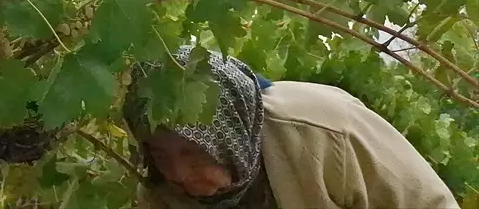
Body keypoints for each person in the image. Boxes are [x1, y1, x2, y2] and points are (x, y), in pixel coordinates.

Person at [123, 46, 459, 209]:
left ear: (229, 135)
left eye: (194, 152)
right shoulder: (164, 192)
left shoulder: (325, 129)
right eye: (160, 154)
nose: (178, 173)